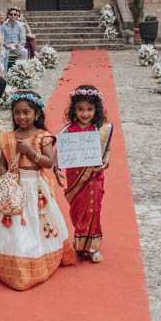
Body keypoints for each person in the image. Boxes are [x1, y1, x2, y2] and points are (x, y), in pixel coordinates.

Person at [0, 90, 76, 290]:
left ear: (36, 114)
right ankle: (14, 262)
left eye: (26, 112)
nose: (21, 117)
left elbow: (47, 162)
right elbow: (2, 163)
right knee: (15, 225)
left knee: (35, 222)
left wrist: (30, 152)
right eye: (17, 113)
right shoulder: (8, 138)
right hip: (14, 188)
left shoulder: (42, 136)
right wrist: (6, 181)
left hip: (35, 188)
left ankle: (37, 257)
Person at [58, 86, 113, 263]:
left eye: (89, 109)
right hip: (75, 180)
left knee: (93, 210)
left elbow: (108, 151)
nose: (85, 113)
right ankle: (80, 238)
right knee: (77, 211)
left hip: (94, 178)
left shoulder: (100, 130)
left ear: (96, 110)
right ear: (73, 109)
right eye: (80, 109)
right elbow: (60, 152)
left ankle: (92, 247)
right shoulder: (68, 130)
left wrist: (105, 162)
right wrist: (57, 169)